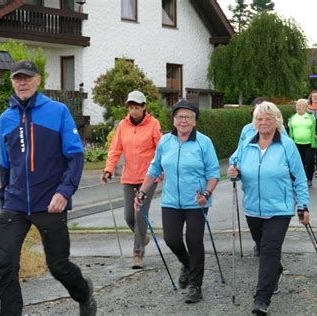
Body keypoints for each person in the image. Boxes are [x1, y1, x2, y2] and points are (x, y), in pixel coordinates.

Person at [0, 60, 96, 315]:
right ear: (12, 82)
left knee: (58, 265)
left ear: (38, 80)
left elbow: (75, 155)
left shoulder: (58, 111)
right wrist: (4, 197)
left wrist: (64, 191)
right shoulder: (5, 119)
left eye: (27, 77)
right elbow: (5, 165)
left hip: (50, 201)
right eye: (17, 78)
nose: (22, 82)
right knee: (5, 265)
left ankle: (84, 293)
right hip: (15, 203)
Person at [134, 100, 220, 303]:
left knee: (194, 240)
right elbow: (155, 169)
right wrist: (142, 193)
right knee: (171, 239)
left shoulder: (204, 143)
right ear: (173, 120)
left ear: (195, 122)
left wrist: (207, 194)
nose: (183, 121)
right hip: (171, 200)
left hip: (196, 201)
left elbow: (214, 173)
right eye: (180, 117)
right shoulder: (165, 142)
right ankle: (188, 264)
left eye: (188, 117)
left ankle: (195, 286)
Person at [228, 101, 309, 315]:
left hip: (279, 209)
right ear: (254, 122)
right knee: (263, 246)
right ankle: (276, 271)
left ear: (277, 121)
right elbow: (234, 163)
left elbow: (299, 178)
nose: (263, 122)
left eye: (268, 118)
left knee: (269, 250)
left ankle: (261, 300)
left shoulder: (286, 145)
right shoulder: (246, 143)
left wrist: (303, 205)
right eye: (259, 119)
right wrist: (233, 171)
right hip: (252, 208)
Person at [101, 91, 162, 269]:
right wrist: (108, 170)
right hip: (129, 176)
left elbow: (161, 149)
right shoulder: (123, 125)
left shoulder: (153, 124)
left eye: (137, 107)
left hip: (148, 178)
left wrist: (163, 168)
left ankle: (138, 254)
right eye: (131, 107)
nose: (134, 111)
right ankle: (142, 237)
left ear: (144, 107)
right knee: (128, 216)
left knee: (140, 213)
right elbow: (115, 150)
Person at [238, 97, 287, 257]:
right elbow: (238, 154)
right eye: (259, 115)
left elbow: (286, 147)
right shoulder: (246, 130)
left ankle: (268, 253)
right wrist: (234, 167)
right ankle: (260, 244)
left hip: (275, 193)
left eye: (267, 116)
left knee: (270, 243)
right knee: (256, 231)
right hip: (252, 191)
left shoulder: (279, 131)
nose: (263, 120)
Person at [288, 99, 317, 187]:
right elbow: (288, 130)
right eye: (297, 105)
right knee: (299, 162)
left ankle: (309, 178)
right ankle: (300, 179)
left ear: (305, 107)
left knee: (309, 161)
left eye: (300, 105)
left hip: (309, 143)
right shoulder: (292, 118)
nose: (298, 107)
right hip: (296, 144)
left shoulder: (311, 117)